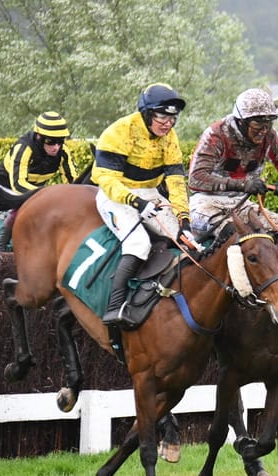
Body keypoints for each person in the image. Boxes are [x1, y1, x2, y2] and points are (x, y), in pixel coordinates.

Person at [92, 82, 198, 326]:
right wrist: (136, 202)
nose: (168, 123)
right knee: (139, 243)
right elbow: (105, 178)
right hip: (114, 194)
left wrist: (184, 221)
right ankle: (114, 308)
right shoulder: (120, 131)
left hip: (149, 193)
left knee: (186, 241)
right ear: (147, 113)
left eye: (172, 118)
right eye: (162, 116)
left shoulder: (170, 137)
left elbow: (175, 182)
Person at [187, 87, 278, 235]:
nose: (263, 131)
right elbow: (196, 179)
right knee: (232, 233)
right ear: (241, 122)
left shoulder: (270, 136)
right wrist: (243, 185)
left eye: (268, 124)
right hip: (206, 203)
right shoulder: (216, 134)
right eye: (258, 124)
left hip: (242, 204)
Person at [0, 111, 78, 250]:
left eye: (60, 141)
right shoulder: (24, 148)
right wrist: (46, 194)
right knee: (21, 208)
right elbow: (18, 184)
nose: (56, 147)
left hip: (35, 187)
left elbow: (73, 181)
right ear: (39, 137)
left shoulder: (63, 151)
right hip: (10, 187)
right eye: (50, 141)